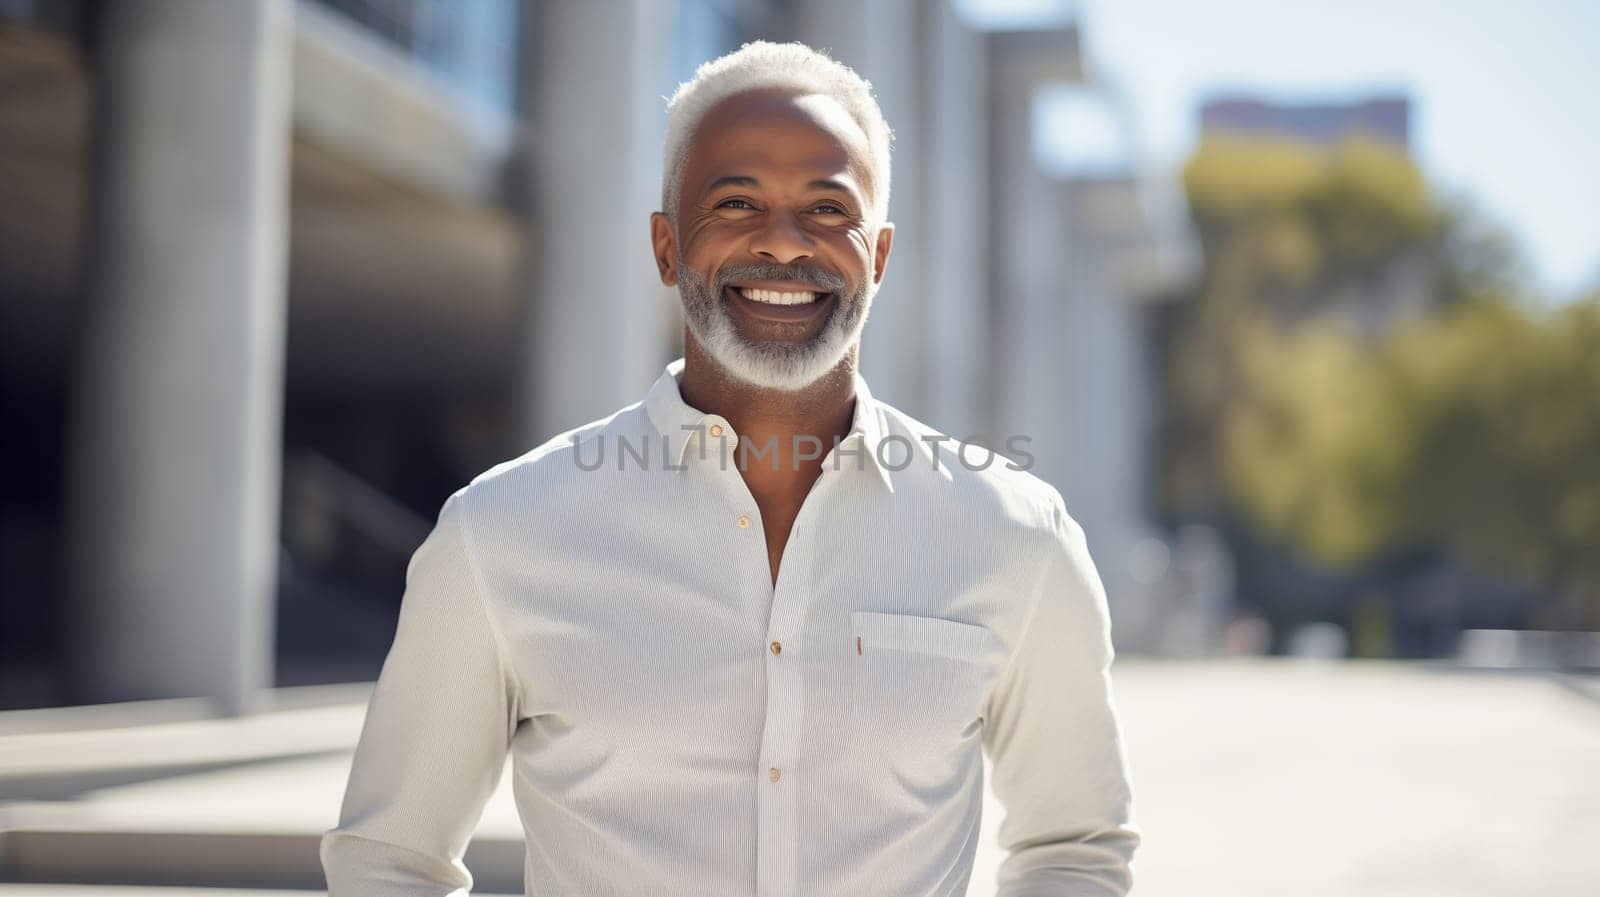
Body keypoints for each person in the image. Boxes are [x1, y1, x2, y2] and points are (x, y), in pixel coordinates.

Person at [321, 39, 1138, 897]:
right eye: (737, 201)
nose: (784, 245)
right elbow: (390, 861)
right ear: (668, 247)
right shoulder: (499, 538)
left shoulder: (1016, 537)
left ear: (881, 256)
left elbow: (1074, 848)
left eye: (828, 209)